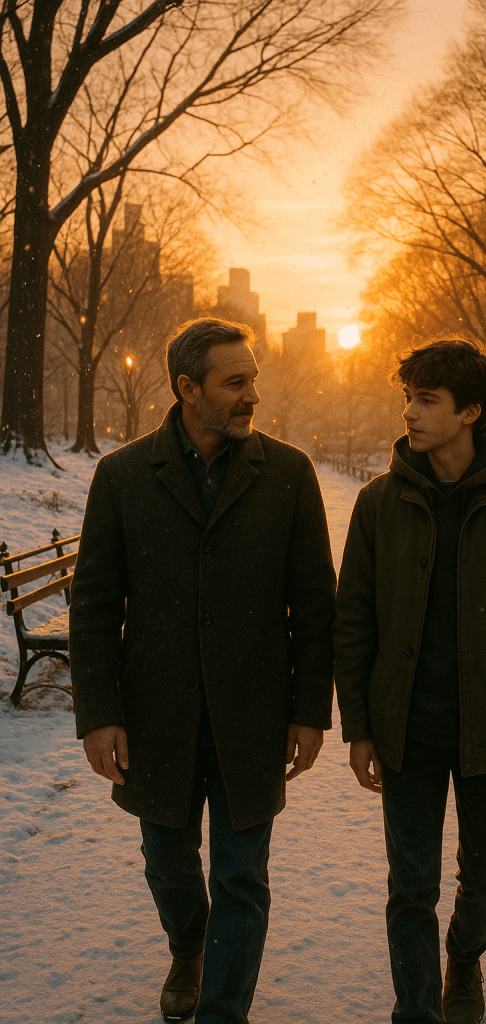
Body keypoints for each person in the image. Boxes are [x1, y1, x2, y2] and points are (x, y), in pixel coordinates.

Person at [69, 318, 336, 1024]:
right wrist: (99, 714)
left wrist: (309, 711)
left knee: (243, 877)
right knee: (169, 865)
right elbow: (93, 606)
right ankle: (188, 947)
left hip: (254, 714)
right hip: (156, 714)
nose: (252, 394)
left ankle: (223, 1009)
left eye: (252, 379)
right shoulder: (123, 476)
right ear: (189, 389)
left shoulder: (288, 474)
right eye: (235, 382)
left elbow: (315, 605)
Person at [334, 337, 486, 1024]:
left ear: (469, 411)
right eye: (407, 397)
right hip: (404, 729)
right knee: (409, 885)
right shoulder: (379, 503)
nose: (409, 413)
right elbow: (352, 623)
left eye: (427, 400)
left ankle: (464, 959)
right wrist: (359, 727)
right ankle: (414, 1007)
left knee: (485, 877)